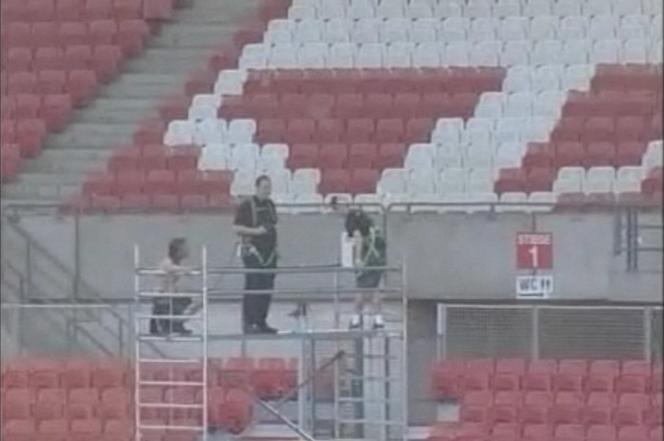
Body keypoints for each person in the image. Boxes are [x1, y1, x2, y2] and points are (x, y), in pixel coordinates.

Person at [233, 175, 279, 334]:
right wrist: (256, 232)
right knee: (253, 286)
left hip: (270, 255)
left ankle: (261, 321)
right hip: (253, 253)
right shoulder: (247, 205)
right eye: (265, 187)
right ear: (257, 187)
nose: (268, 190)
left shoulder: (271, 205)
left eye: (269, 187)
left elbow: (272, 226)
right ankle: (249, 322)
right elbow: (237, 228)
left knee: (267, 288)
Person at [345, 209, 387, 330]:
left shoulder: (351, 220)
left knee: (361, 287)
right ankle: (378, 319)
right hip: (378, 257)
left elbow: (358, 238)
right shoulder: (371, 225)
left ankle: (356, 318)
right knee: (374, 288)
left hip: (368, 257)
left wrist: (358, 259)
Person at [150, 238, 194, 336]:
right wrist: (186, 270)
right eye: (184, 249)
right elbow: (169, 268)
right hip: (161, 296)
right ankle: (170, 324)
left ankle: (176, 323)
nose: (187, 251)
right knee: (181, 303)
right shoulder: (167, 262)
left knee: (190, 301)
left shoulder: (176, 262)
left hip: (170, 293)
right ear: (178, 251)